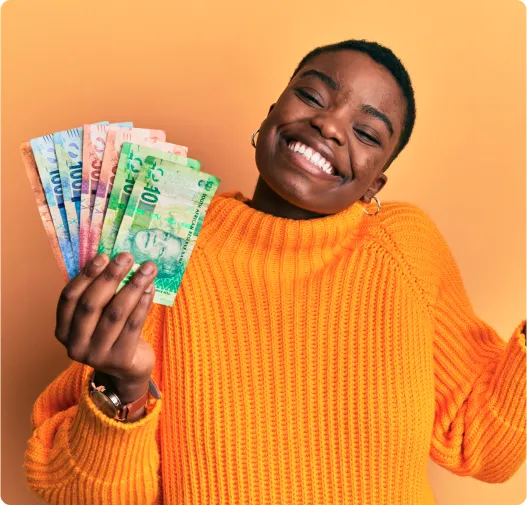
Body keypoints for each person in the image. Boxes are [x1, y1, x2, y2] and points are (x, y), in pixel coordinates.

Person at [24, 39, 526, 505]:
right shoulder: (164, 240)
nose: (329, 127)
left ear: (376, 183)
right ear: (269, 116)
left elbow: (485, 447)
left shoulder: (403, 248)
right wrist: (121, 388)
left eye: (367, 132)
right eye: (311, 94)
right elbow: (81, 492)